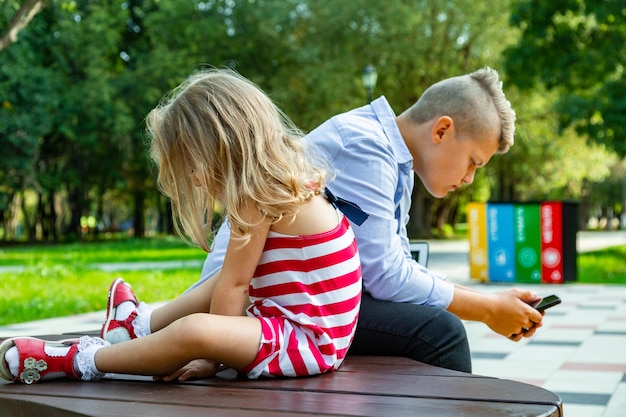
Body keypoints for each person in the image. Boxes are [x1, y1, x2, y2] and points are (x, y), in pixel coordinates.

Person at [0, 69, 364, 384]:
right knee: (220, 280)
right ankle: (139, 324)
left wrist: (212, 354)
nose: (193, 178)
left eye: (191, 164)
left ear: (220, 149)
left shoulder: (256, 196)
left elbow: (237, 288)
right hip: (308, 329)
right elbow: (235, 281)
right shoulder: (279, 179)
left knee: (196, 330)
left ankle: (81, 361)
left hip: (306, 344)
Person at [189, 67, 544, 374]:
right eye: (473, 162)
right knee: (441, 332)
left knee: (430, 325)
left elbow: (397, 266)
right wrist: (486, 310)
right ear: (441, 130)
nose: (469, 179)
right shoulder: (366, 147)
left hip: (292, 296)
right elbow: (385, 277)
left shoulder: (396, 159)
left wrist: (492, 301)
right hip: (251, 304)